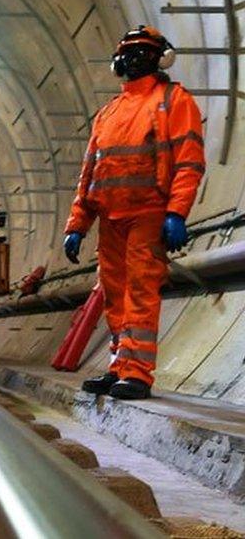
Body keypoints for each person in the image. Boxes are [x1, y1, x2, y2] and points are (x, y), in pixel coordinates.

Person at [63, 25, 204, 400]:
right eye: (128, 50)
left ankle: (137, 373)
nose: (133, 57)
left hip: (148, 214)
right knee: (116, 295)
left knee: (141, 291)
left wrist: (176, 212)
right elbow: (91, 172)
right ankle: (119, 366)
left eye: (141, 50)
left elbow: (189, 162)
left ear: (160, 57)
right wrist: (77, 223)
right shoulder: (108, 113)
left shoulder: (174, 101)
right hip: (110, 218)